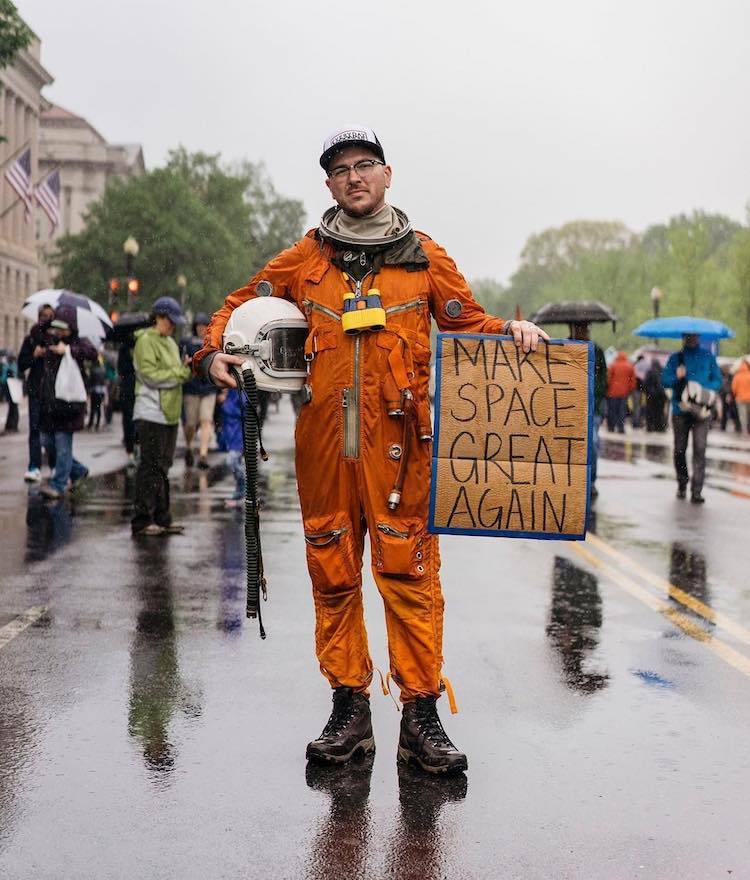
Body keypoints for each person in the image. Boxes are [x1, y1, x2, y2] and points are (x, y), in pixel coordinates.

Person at [193, 125, 548, 774]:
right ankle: (349, 710)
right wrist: (216, 348)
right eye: (340, 170)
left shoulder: (423, 257)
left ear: (388, 175)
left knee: (411, 579)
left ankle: (421, 717)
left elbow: (470, 322)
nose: (354, 177)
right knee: (332, 578)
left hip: (401, 455)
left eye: (365, 165)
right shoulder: (306, 258)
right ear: (328, 184)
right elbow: (240, 302)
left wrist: (513, 332)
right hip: (326, 453)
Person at [131, 296, 192, 537]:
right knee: (150, 467)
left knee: (163, 467)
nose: (172, 326)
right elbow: (150, 375)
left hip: (169, 413)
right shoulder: (146, 340)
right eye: (169, 320)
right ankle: (142, 519)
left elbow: (173, 372)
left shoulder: (169, 342)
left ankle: (162, 517)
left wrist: (182, 369)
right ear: (158, 316)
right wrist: (181, 372)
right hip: (151, 412)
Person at [38, 305, 97, 500]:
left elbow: (92, 353)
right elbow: (35, 331)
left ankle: (59, 484)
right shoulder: (51, 339)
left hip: (68, 405)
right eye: (57, 326)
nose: (59, 331)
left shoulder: (79, 343)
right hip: (50, 404)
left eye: (63, 327)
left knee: (63, 445)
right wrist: (49, 320)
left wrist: (69, 350)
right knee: (47, 442)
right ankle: (78, 470)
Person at [662, 334, 722, 503]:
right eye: (688, 336)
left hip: (702, 411)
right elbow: (665, 380)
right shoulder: (676, 358)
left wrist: (702, 389)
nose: (691, 338)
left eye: (694, 335)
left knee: (700, 449)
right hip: (680, 410)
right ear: (683, 337)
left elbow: (717, 380)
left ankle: (697, 490)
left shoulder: (708, 356)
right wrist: (677, 377)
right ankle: (682, 483)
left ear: (698, 337)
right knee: (679, 450)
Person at [18, 303, 56, 482]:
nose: (47, 319)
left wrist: (52, 353)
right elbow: (21, 364)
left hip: (53, 391)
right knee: (34, 429)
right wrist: (34, 355)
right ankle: (34, 466)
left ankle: (55, 465)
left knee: (51, 430)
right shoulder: (31, 339)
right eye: (43, 316)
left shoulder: (57, 338)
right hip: (36, 390)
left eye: (50, 316)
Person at [569, 322, 606, 498]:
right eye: (578, 328)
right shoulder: (565, 347)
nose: (581, 330)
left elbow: (602, 380)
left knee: (592, 444)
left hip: (593, 407)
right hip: (570, 406)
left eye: (584, 328)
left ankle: (590, 482)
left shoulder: (596, 351)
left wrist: (590, 392)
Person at [181, 313, 218, 469]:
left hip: (209, 388)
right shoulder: (187, 343)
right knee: (190, 423)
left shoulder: (213, 343)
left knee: (206, 420)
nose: (201, 329)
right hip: (191, 388)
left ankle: (203, 455)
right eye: (199, 326)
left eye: (204, 326)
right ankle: (189, 446)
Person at [217, 388, 245, 508]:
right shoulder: (228, 393)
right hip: (230, 435)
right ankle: (240, 493)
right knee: (235, 462)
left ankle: (245, 489)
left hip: (238, 435)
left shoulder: (240, 392)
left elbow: (245, 411)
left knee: (232, 461)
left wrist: (225, 403)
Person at [606, 352, 636, 433]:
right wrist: (630, 390)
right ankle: (621, 428)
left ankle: (611, 427)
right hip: (624, 393)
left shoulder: (613, 365)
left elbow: (608, 379)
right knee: (622, 411)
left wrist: (607, 389)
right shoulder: (630, 366)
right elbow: (633, 381)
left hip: (612, 392)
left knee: (612, 410)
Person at [643, 359, 667, 432]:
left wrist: (647, 392)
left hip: (651, 395)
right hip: (661, 395)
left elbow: (645, 383)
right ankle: (660, 427)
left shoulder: (649, 372)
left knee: (650, 411)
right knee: (660, 412)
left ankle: (650, 427)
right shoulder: (663, 371)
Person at [1, 351, 20, 433]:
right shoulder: (13, 365)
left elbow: (4, 378)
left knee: (13, 408)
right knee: (13, 408)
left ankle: (12, 426)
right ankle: (11, 426)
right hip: (13, 389)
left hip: (11, 389)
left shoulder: (9, 366)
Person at [87, 356, 107, 431]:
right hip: (101, 390)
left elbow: (90, 381)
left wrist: (88, 391)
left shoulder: (93, 369)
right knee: (98, 408)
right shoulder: (103, 369)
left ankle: (91, 423)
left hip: (94, 390)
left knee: (93, 408)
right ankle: (97, 424)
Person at [731, 358, 750, 434]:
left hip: (740, 398)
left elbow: (734, 388)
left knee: (743, 415)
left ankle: (744, 430)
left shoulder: (737, 376)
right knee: (749, 415)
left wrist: (736, 394)